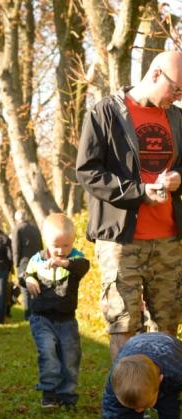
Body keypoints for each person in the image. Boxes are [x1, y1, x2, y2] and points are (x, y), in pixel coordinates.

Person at [76, 50, 182, 360]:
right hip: (121, 240)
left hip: (168, 240)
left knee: (167, 323)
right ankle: (126, 405)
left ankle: (160, 399)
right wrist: (139, 192)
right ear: (155, 74)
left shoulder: (177, 118)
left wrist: (178, 177)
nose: (177, 97)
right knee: (123, 324)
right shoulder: (104, 113)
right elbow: (88, 172)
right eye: (176, 89)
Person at [24, 213, 89, 409]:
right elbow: (25, 273)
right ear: (46, 242)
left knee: (70, 357)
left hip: (67, 320)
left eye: (66, 245)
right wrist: (29, 279)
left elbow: (83, 266)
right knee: (48, 353)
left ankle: (67, 395)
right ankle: (49, 392)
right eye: (56, 246)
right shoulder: (37, 259)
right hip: (41, 318)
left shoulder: (76, 259)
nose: (61, 251)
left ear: (73, 241)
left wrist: (64, 263)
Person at [102, 332, 182, 419]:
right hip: (135, 345)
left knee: (169, 407)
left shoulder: (177, 370)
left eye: (144, 406)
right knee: (130, 413)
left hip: (171, 350)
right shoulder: (115, 382)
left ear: (160, 380)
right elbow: (113, 417)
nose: (140, 411)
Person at [12, 209, 42, 320]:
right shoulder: (35, 228)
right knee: (36, 286)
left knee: (25, 288)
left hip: (24, 262)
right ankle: (36, 311)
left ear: (17, 219)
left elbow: (16, 248)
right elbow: (41, 245)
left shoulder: (17, 229)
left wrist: (16, 264)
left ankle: (28, 314)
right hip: (37, 261)